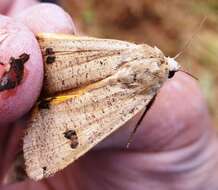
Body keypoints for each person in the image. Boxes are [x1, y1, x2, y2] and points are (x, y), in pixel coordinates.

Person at [0, 1, 217, 190]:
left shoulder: (133, 51)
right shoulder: (143, 96)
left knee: (28, 53)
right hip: (65, 110)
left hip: (78, 62)